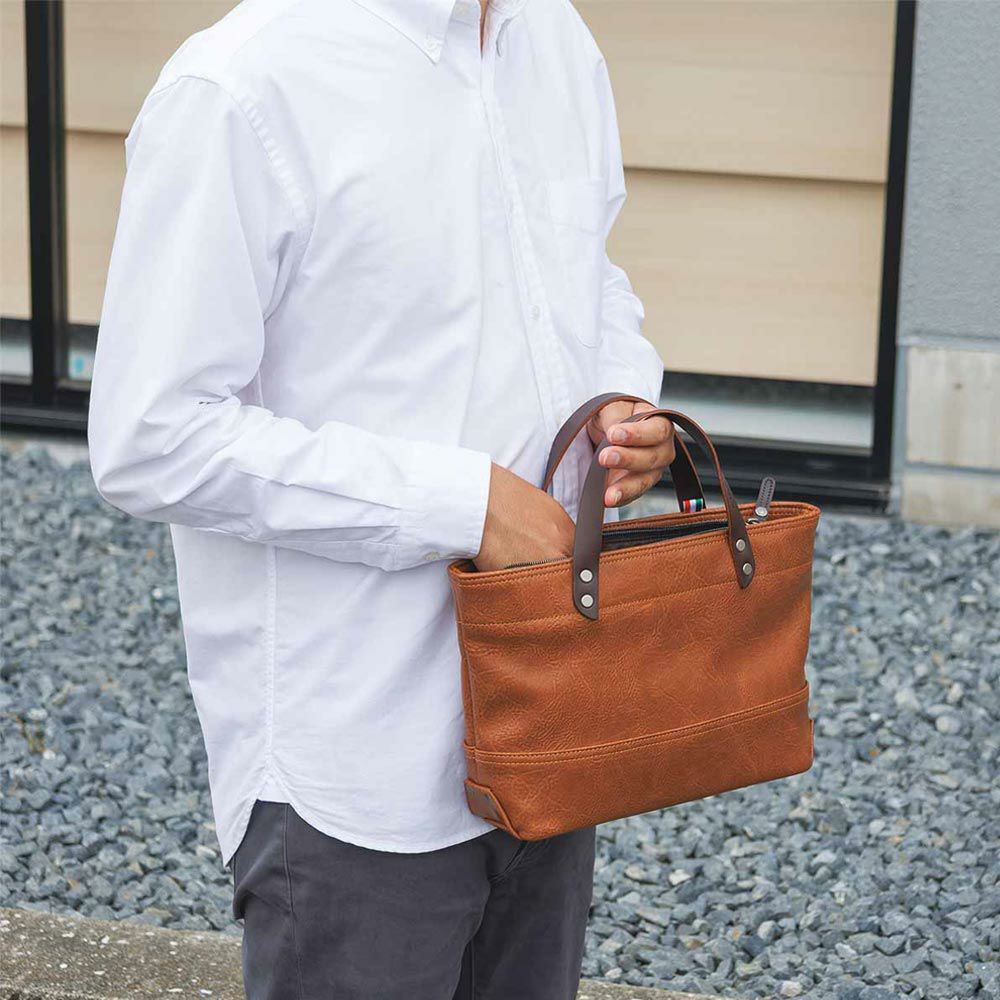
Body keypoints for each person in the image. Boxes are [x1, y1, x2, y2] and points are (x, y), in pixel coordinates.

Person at [88, 0, 676, 996]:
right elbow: (153, 434)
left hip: (553, 705)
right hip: (359, 757)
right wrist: (462, 504)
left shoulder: (554, 37)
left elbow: (585, 275)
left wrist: (620, 393)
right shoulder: (242, 84)